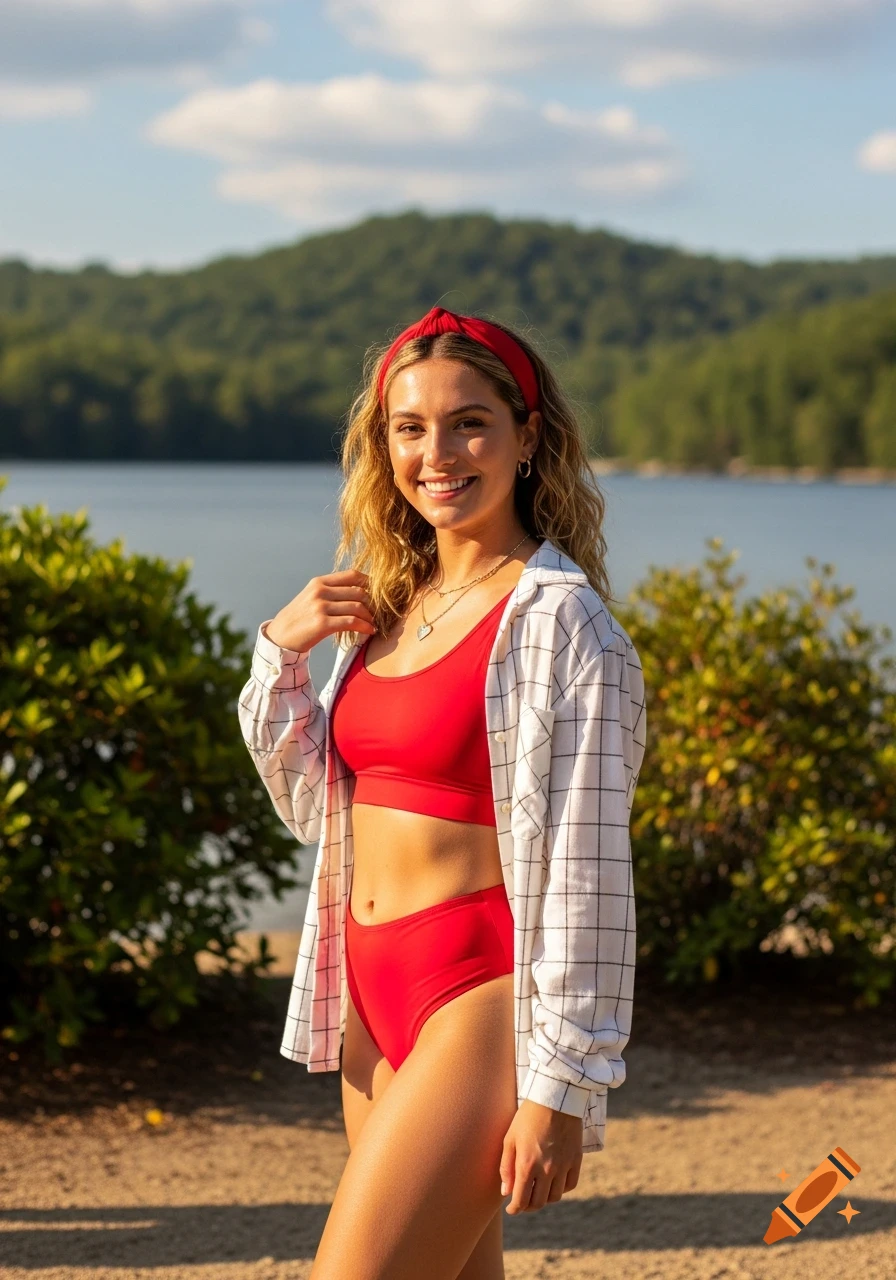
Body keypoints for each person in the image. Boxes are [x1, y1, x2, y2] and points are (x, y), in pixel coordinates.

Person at [237, 304, 648, 1280]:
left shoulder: (561, 624)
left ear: (525, 435)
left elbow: (588, 878)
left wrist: (559, 1087)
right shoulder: (384, 607)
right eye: (408, 427)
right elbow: (314, 809)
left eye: (469, 421)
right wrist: (278, 658)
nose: (438, 452)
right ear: (382, 446)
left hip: (477, 993)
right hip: (368, 993)